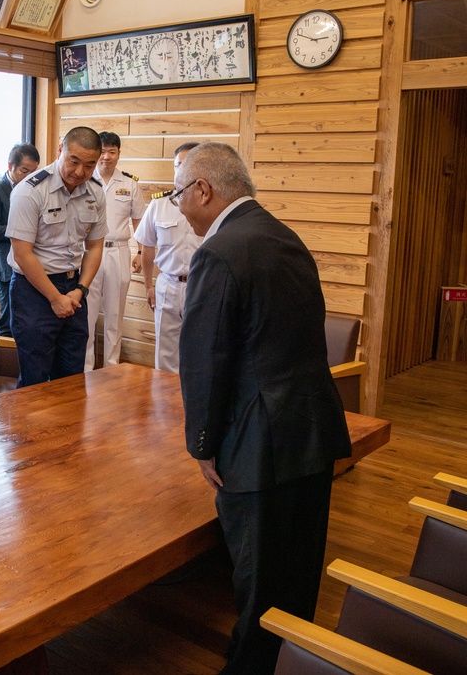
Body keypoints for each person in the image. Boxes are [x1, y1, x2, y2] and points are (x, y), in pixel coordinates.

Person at [177, 142, 351, 675]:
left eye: (180, 193)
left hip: (258, 441)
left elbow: (206, 359)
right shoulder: (283, 235)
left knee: (257, 575)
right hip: (311, 428)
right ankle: (293, 659)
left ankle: (253, 667)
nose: (179, 206)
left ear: (203, 190)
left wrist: (202, 446)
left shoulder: (219, 251)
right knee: (298, 566)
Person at [6, 127, 106, 387]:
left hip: (74, 291)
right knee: (35, 377)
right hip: (34, 291)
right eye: (74, 161)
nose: (80, 172)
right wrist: (54, 298)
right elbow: (22, 253)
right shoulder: (31, 190)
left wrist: (80, 290)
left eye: (90, 165)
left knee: (72, 377)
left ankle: (69, 430)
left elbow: (95, 247)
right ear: (61, 150)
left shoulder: (95, 192)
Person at [133, 142, 203, 373]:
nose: (180, 171)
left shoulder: (210, 206)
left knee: (199, 352)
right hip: (168, 284)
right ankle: (164, 407)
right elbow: (147, 246)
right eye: (177, 166)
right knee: (165, 355)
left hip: (201, 286)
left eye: (187, 166)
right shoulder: (159, 204)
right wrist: (148, 285)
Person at [84, 132, 145, 370]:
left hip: (118, 251)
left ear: (119, 153)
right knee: (87, 316)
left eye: (112, 152)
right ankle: (86, 369)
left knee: (114, 315)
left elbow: (139, 221)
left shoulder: (129, 184)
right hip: (88, 252)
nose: (106, 157)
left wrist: (140, 252)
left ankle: (111, 367)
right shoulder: (85, 181)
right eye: (102, 151)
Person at [0, 143, 40, 337]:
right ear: (10, 166)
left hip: (31, 264)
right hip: (5, 266)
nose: (29, 176)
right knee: (8, 320)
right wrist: (23, 230)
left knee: (27, 320)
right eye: (24, 171)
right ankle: (5, 365)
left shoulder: (35, 191)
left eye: (34, 171)